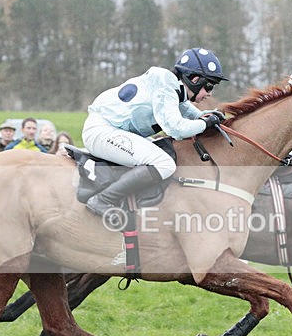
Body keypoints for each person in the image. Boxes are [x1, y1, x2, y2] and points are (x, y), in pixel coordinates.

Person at [81, 47, 228, 217]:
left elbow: (186, 109)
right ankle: (104, 200)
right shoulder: (166, 87)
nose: (210, 93)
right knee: (164, 164)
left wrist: (207, 116)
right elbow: (177, 129)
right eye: (209, 86)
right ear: (194, 79)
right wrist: (204, 123)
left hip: (110, 130)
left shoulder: (172, 88)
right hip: (102, 131)